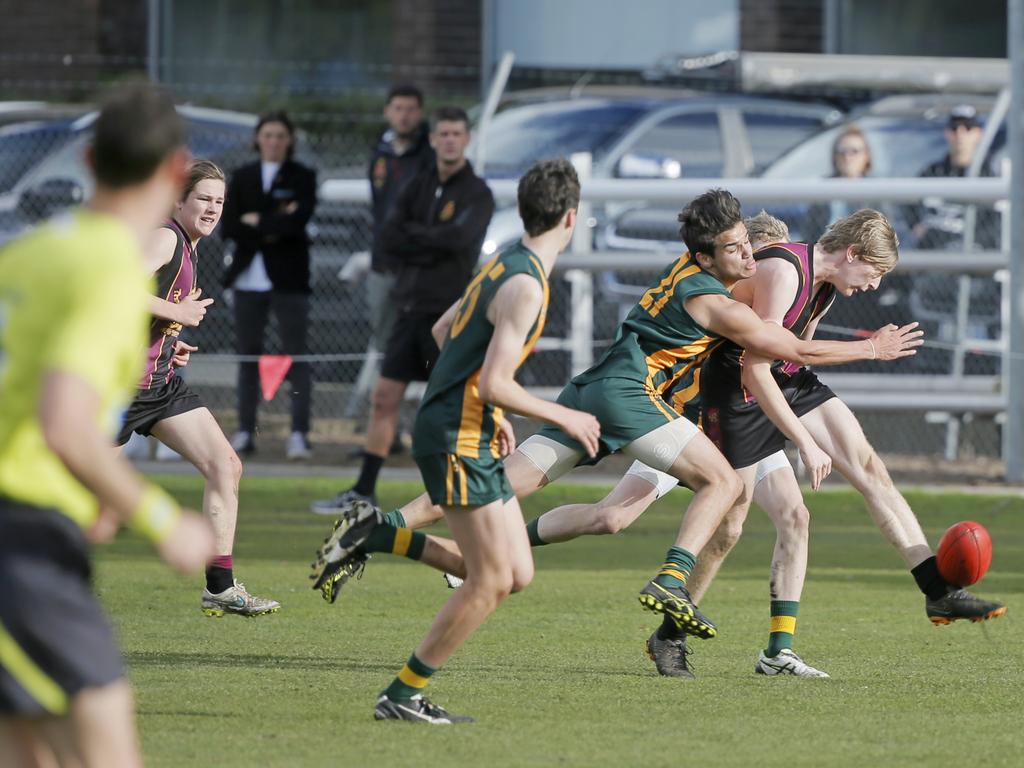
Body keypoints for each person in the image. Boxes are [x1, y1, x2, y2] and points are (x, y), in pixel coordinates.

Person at [312, 190, 922, 649]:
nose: (752, 259)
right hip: (632, 394)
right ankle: (672, 579)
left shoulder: (708, 279)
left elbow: (781, 338)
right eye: (741, 250)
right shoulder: (714, 298)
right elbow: (786, 351)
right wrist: (871, 349)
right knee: (724, 483)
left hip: (598, 388)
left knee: (494, 488)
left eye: (750, 248)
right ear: (712, 254)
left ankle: (374, 529)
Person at [312, 159, 598, 723]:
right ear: (572, 216)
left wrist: (485, 407)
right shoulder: (526, 285)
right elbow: (493, 379)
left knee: (515, 573)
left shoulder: (503, 264)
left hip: (467, 428)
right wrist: (563, 418)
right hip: (456, 435)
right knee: (490, 579)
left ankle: (374, 535)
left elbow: (445, 332)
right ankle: (401, 696)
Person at [0, 83, 216, 767]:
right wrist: (161, 519)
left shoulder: (31, 253)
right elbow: (64, 423)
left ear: (87, 158)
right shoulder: (107, 272)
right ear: (177, 173)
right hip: (23, 539)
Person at [115, 158, 279, 618]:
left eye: (219, 201)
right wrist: (180, 316)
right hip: (119, 389)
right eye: (204, 198)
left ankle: (221, 587)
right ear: (178, 200)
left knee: (225, 465)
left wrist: (170, 338)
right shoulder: (165, 236)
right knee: (78, 500)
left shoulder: (189, 243)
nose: (212, 208)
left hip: (159, 385)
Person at [312, 106, 495, 513]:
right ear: (433, 140)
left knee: (451, 405)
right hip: (408, 310)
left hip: (447, 316)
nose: (448, 139)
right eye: (442, 133)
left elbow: (459, 241)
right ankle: (364, 489)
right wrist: (430, 240)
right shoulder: (416, 184)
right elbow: (390, 235)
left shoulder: (477, 193)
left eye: (455, 133)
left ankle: (464, 491)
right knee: (384, 396)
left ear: (466, 140)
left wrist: (420, 240)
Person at [222, 110, 318, 460]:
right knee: (248, 355)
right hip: (248, 279)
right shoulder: (243, 176)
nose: (274, 141)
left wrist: (258, 219)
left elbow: (298, 223)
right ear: (258, 138)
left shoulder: (302, 176)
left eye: (280, 135)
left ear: (289, 140)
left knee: (296, 355)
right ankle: (246, 429)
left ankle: (298, 433)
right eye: (268, 135)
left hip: (288, 279)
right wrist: (275, 220)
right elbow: (230, 225)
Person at [909, 105, 999, 250]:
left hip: (973, 259)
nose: (960, 134)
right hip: (932, 258)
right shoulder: (931, 173)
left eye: (968, 127)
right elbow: (908, 207)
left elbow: (994, 227)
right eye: (954, 128)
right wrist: (915, 227)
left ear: (979, 133)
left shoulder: (990, 177)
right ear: (947, 133)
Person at [803, 125, 887, 240]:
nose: (847, 157)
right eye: (842, 151)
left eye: (854, 151)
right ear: (834, 156)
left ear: (866, 156)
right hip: (823, 250)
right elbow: (809, 231)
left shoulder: (875, 190)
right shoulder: (823, 188)